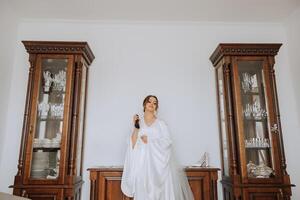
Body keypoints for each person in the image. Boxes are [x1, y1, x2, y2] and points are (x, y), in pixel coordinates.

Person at [121, 95, 194, 200]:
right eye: (149, 101)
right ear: (144, 104)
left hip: (159, 169)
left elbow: (167, 142)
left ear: (156, 107)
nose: (152, 104)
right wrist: (136, 127)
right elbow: (132, 144)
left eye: (154, 103)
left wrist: (150, 141)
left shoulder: (161, 124)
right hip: (142, 167)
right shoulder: (139, 123)